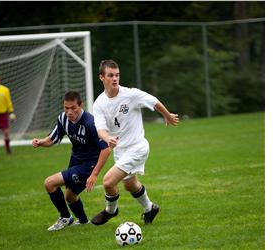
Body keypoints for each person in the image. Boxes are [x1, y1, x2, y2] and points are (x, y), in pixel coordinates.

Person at [90, 60, 179, 226]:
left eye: (117, 75)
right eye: (110, 75)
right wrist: (107, 138)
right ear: (101, 77)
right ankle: (150, 208)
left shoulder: (131, 95)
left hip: (137, 147)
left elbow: (154, 101)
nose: (115, 78)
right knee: (130, 184)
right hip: (120, 150)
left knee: (108, 181)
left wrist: (166, 115)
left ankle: (110, 211)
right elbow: (100, 128)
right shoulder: (99, 103)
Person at [32, 91, 111, 231]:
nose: (69, 112)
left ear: (80, 106)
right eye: (66, 108)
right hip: (75, 159)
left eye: (73, 108)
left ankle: (65, 217)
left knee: (49, 183)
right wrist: (40, 142)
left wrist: (94, 174)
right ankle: (83, 221)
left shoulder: (90, 123)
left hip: (89, 164)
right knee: (70, 196)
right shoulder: (63, 119)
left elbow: (106, 150)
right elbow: (52, 139)